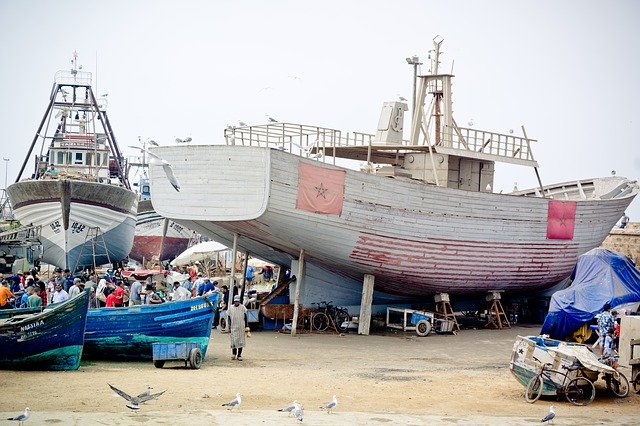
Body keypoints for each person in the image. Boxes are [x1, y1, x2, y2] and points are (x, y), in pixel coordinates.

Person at [227, 294, 248, 361]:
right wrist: (229, 326)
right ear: (234, 301)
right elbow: (229, 317)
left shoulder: (243, 307)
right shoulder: (231, 308)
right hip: (233, 326)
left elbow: (246, 317)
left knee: (240, 341)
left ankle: (239, 355)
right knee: (234, 341)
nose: (236, 302)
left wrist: (247, 326)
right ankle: (234, 354)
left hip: (241, 326)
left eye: (237, 301)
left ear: (239, 301)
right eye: (235, 301)